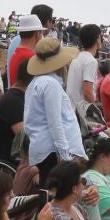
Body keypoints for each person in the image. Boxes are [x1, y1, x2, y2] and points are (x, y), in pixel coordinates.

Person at [22, 37, 84, 182]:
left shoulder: (37, 82)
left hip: (44, 146)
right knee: (52, 191)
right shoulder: (50, 84)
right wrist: (64, 154)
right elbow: (55, 122)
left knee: (49, 189)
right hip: (52, 150)